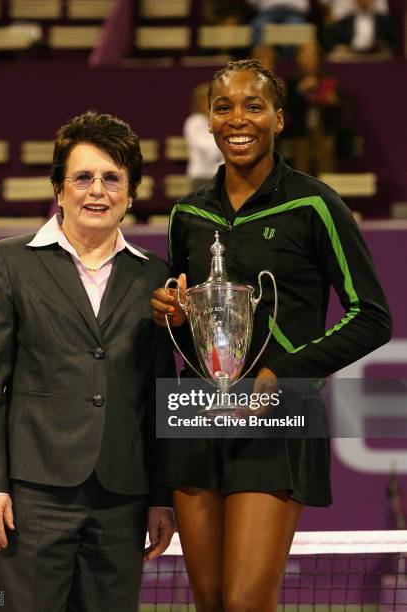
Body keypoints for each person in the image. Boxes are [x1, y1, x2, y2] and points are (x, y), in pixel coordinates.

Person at [150, 59, 391, 610]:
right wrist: (171, 314)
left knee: (246, 603)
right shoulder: (187, 213)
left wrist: (282, 375)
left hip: (280, 413)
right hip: (196, 413)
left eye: (254, 106)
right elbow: (185, 325)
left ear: (279, 119)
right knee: (209, 602)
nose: (239, 119)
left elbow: (373, 316)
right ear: (208, 122)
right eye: (223, 107)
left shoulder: (315, 204)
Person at [0, 111, 176, 612]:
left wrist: (161, 495)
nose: (96, 190)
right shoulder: (8, 261)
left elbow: (158, 390)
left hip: (122, 500)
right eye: (82, 177)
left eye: (111, 178)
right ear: (59, 189)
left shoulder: (156, 277)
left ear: (131, 193)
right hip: (29, 500)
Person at [285, 41, 343, 175]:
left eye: (313, 55)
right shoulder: (293, 80)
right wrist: (300, 90)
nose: (309, 59)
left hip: (324, 128)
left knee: (326, 163)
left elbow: (341, 109)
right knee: (301, 165)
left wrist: (334, 101)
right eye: (305, 54)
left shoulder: (328, 78)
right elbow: (287, 108)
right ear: (299, 58)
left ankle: (325, 195)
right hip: (301, 130)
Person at [184, 82, 224, 190]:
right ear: (200, 102)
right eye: (209, 100)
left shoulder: (218, 121)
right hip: (202, 178)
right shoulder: (195, 122)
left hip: (221, 176)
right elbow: (211, 152)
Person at [325, 0, 397, 54]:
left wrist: (382, 46)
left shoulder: (384, 21)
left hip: (375, 56)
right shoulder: (345, 20)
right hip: (350, 56)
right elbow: (334, 42)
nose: (364, 1)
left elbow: (392, 42)